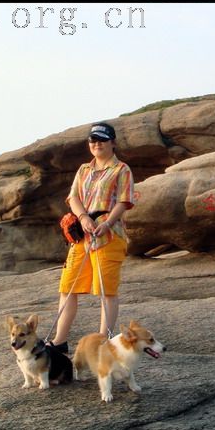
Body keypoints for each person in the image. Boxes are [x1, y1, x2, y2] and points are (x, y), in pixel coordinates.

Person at [49, 122, 135, 353]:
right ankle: (59, 341)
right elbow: (73, 197)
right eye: (92, 140)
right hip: (83, 235)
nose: (96, 144)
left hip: (109, 235)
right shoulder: (83, 170)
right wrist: (84, 218)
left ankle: (102, 342)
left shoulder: (121, 169)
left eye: (102, 140)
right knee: (68, 287)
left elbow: (124, 201)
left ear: (112, 142)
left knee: (106, 290)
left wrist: (107, 223)